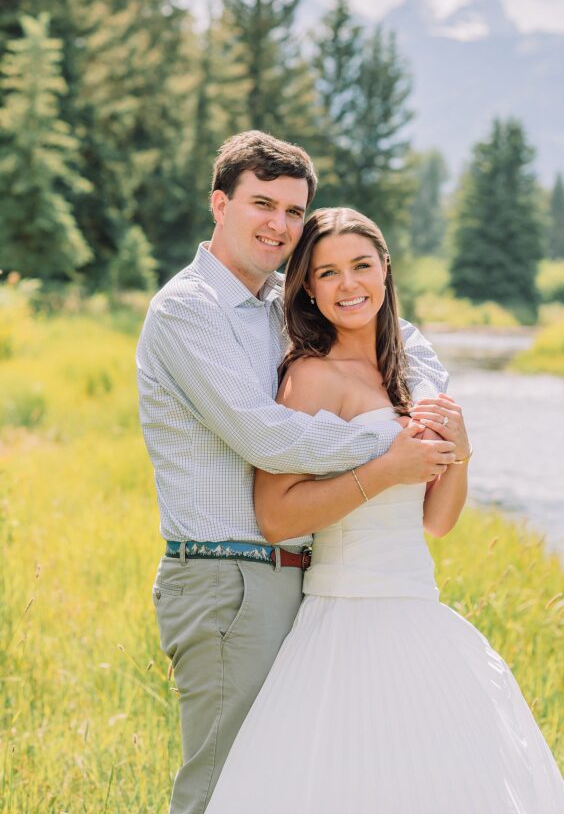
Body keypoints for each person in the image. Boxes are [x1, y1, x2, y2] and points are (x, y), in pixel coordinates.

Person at [205, 207, 564, 814]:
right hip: (347, 616)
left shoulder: (409, 374)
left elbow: (437, 521)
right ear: (308, 289)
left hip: (419, 611)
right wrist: (387, 470)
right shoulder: (309, 376)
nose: (348, 285)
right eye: (327, 273)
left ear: (385, 271)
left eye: (361, 266)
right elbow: (276, 516)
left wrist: (461, 449)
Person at [136, 131, 458, 814]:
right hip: (228, 578)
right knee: (223, 787)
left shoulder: (284, 301)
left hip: (305, 581)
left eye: (292, 211)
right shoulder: (188, 308)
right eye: (262, 203)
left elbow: (403, 342)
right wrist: (387, 450)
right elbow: (266, 437)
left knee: (290, 784)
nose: (279, 225)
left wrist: (427, 400)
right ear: (218, 203)